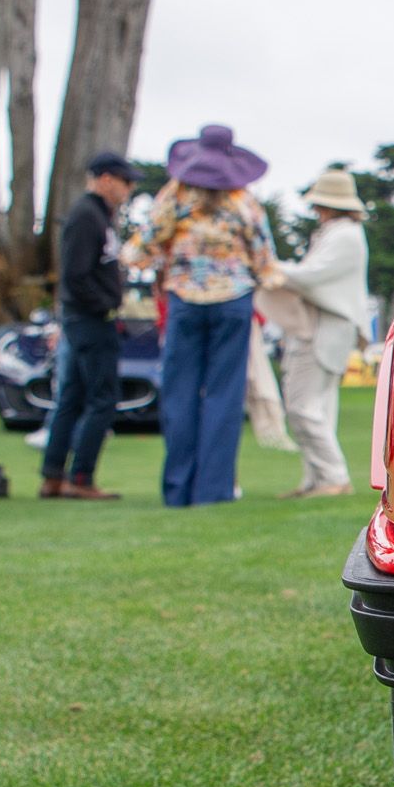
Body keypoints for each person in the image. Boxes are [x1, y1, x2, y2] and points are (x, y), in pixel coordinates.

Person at [125, 125, 278, 507]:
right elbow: (264, 258)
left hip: (184, 301)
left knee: (179, 395)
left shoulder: (174, 196)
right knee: (224, 397)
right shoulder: (244, 201)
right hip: (233, 302)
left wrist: (162, 258)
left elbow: (142, 247)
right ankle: (214, 490)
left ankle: (177, 490)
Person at [257, 168, 371, 498]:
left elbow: (312, 277)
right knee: (316, 407)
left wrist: (270, 268)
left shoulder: (345, 235)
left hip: (325, 327)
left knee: (303, 407)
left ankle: (333, 476)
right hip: (321, 325)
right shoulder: (335, 232)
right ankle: (317, 479)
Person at [40, 151, 138, 500]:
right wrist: (107, 306)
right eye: (125, 182)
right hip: (90, 320)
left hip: (84, 318)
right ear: (106, 178)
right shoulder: (86, 216)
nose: (128, 190)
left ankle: (53, 475)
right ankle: (81, 477)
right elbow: (75, 276)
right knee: (102, 398)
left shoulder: (99, 216)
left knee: (73, 396)